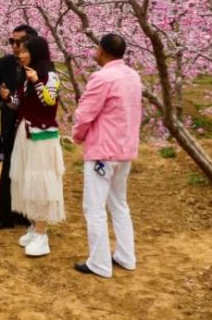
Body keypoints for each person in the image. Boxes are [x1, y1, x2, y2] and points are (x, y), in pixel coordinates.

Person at [71, 33, 143, 278]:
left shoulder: (102, 77)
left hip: (103, 151)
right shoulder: (133, 76)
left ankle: (99, 263)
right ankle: (126, 256)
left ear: (101, 50)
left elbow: (85, 113)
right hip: (125, 150)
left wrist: (77, 136)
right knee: (119, 204)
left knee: (94, 207)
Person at [1, 35, 64, 257]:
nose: (20, 53)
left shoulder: (51, 76)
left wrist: (38, 81)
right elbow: (20, 105)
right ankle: (33, 227)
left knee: (40, 182)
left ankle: (41, 233)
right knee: (27, 180)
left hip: (41, 138)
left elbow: (48, 101)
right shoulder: (27, 77)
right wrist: (8, 98)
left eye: (25, 50)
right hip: (25, 134)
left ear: (35, 53)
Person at [0, 24, 38, 232]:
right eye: (12, 41)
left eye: (19, 42)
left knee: (29, 172)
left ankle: (26, 215)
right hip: (9, 123)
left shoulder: (39, 66)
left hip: (31, 127)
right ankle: (5, 215)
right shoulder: (4, 64)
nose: (15, 46)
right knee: (8, 170)